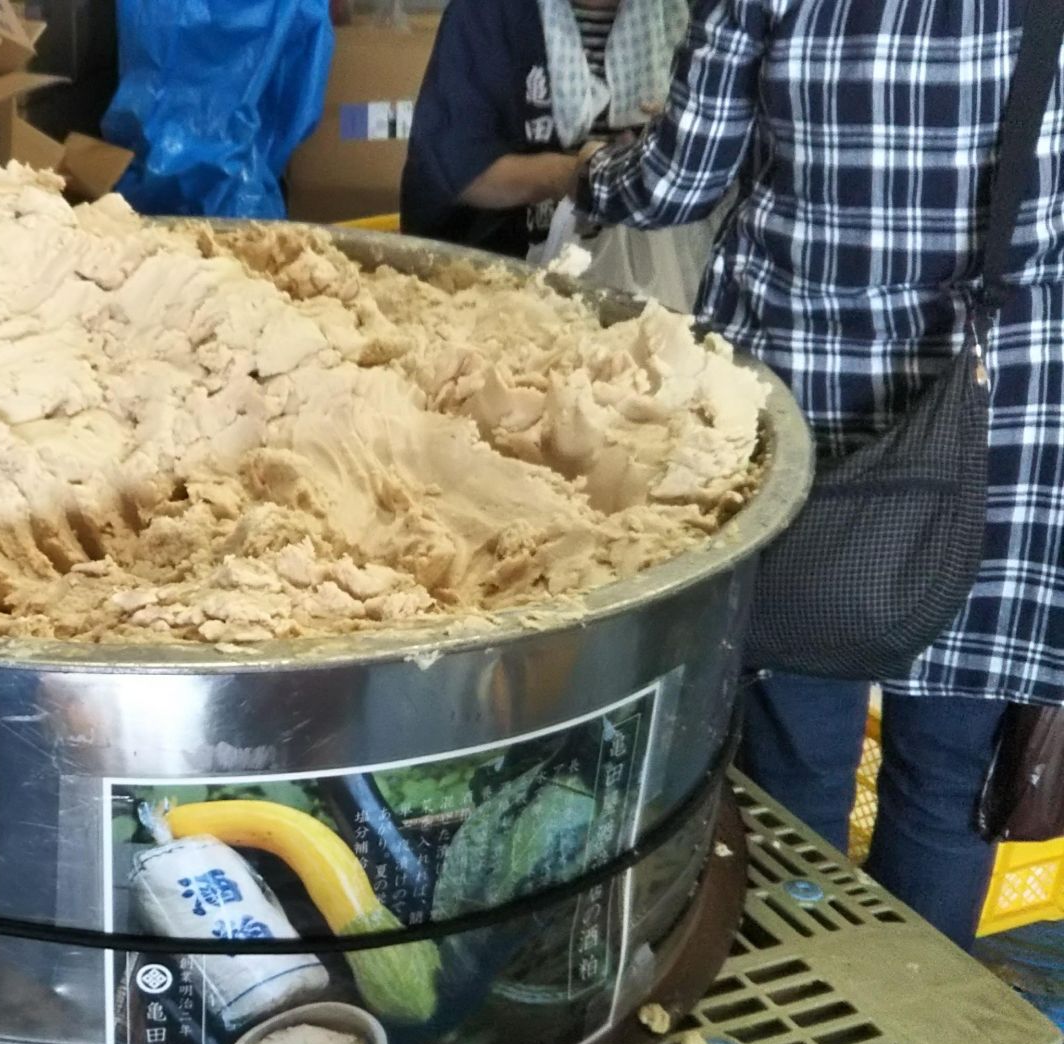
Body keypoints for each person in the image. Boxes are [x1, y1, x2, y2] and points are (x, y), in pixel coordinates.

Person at [572, 0, 1063, 947]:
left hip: (814, 429)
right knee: (945, 787)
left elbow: (677, 181)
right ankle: (913, 1029)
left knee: (791, 777)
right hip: (1004, 427)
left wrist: (587, 171)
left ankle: (804, 996)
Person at [402, 0, 689, 261]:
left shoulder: (687, 18)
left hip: (648, 270)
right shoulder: (486, 12)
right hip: (502, 271)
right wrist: (573, 176)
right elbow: (452, 170)